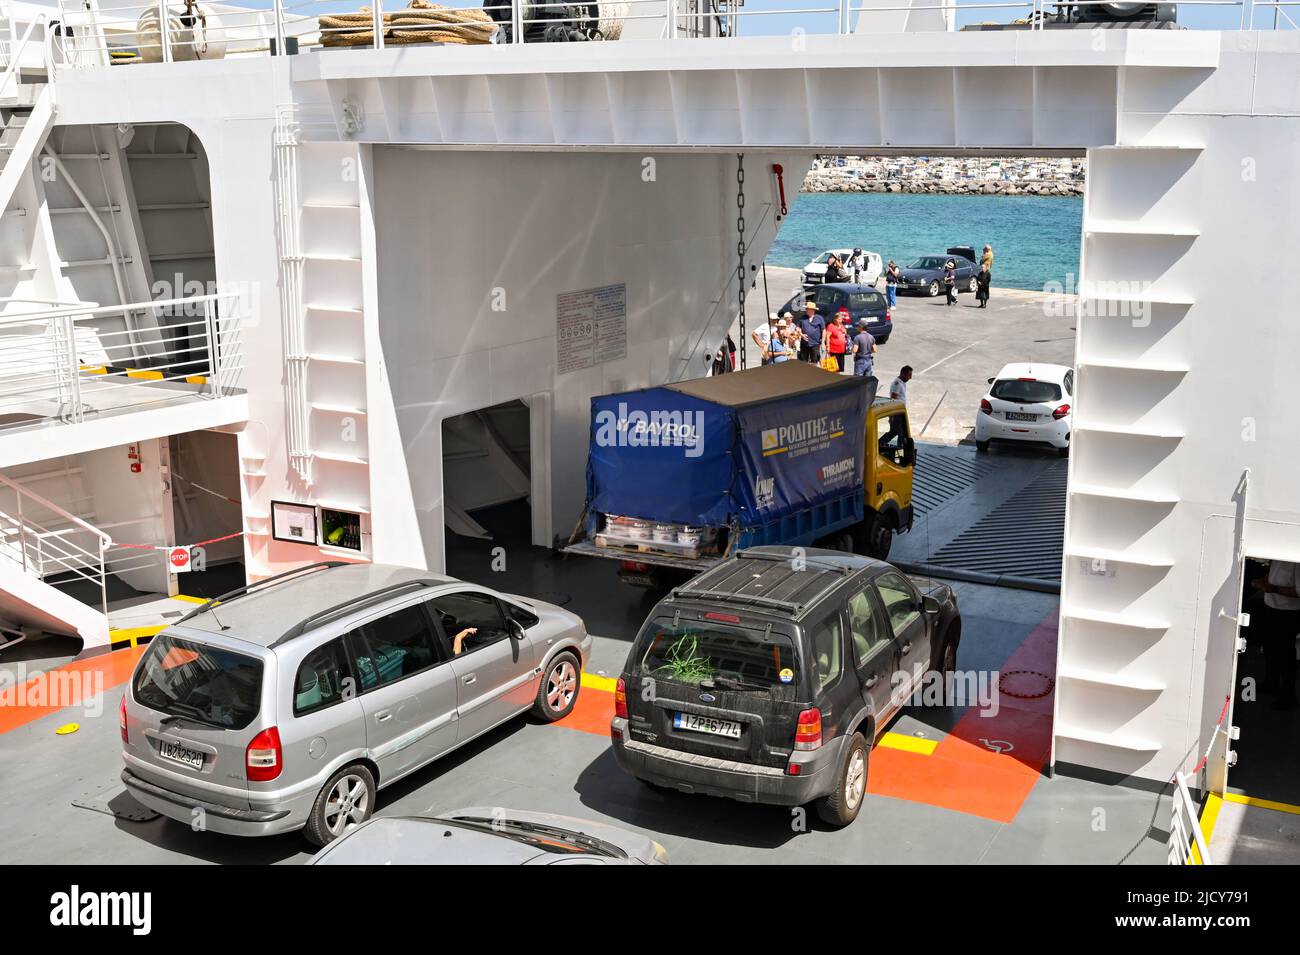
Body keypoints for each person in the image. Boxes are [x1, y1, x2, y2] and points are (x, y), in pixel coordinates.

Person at [1252, 559, 1300, 710]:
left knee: (1286, 655)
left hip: (1288, 613)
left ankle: (1289, 696)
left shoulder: (1296, 560)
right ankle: (1271, 683)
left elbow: (1299, 591)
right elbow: (1274, 574)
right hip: (1271, 607)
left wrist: (1272, 588)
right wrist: (1264, 581)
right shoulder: (1279, 553)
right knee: (1269, 647)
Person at [851, 318, 877, 394]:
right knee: (867, 380)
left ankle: (857, 395)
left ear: (861, 327)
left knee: (857, 380)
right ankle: (866, 395)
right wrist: (868, 351)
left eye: (858, 326)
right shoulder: (871, 337)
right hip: (869, 360)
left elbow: (855, 350)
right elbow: (875, 349)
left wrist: (852, 348)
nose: (857, 327)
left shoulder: (858, 337)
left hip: (860, 361)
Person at [797, 299, 825, 364]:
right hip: (804, 344)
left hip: (815, 344)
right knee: (803, 362)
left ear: (812, 310)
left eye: (807, 309)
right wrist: (802, 335)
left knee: (814, 362)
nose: (806, 310)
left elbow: (823, 330)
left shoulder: (819, 318)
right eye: (806, 308)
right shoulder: (802, 318)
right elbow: (797, 328)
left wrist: (823, 342)